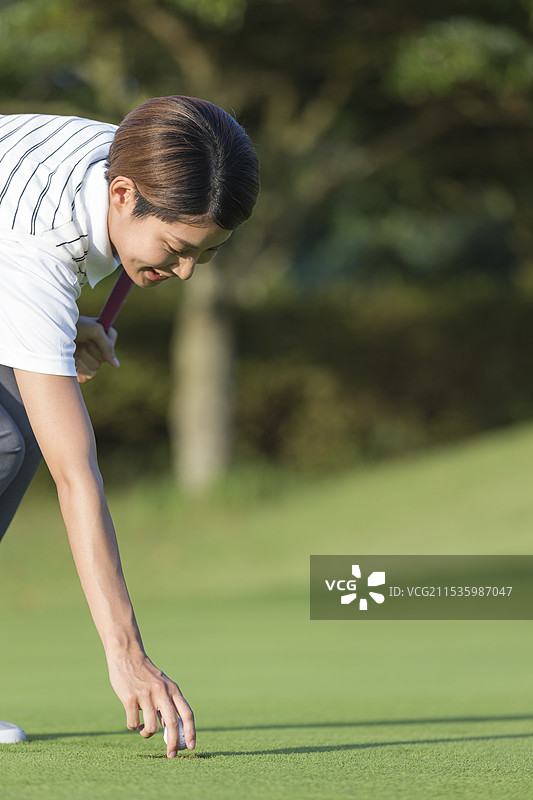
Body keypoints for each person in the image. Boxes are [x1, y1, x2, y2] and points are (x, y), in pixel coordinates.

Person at [0, 96, 260, 756]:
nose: (181, 272)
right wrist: (127, 654)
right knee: (14, 441)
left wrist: (67, 327)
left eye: (204, 256)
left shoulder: (136, 157)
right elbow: (75, 476)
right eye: (176, 250)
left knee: (12, 437)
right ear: (122, 194)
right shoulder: (39, 244)